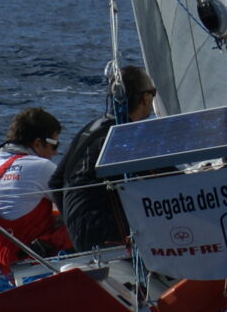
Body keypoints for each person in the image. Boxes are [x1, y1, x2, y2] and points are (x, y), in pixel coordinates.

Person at [53, 66, 157, 252]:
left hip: (80, 235)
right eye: (153, 93)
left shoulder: (91, 128)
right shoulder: (128, 134)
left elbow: (55, 182)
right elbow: (164, 176)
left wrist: (72, 224)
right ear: (145, 97)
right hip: (108, 236)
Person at [0, 107, 73, 272]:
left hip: (5, 265)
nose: (55, 153)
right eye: (54, 145)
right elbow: (78, 205)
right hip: (37, 260)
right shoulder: (41, 167)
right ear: (37, 143)